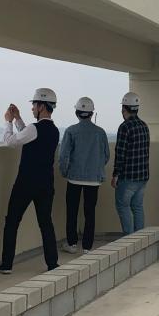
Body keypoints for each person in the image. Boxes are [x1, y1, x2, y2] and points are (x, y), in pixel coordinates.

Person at [0, 88, 60, 274]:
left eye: (34, 105)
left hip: (25, 183)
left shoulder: (34, 128)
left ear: (41, 106)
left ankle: (7, 264)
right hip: (46, 184)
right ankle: (52, 263)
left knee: (12, 221)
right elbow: (29, 136)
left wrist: (8, 122)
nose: (32, 108)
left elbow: (11, 141)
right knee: (45, 223)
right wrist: (18, 118)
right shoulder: (54, 130)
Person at [59, 97, 109, 255]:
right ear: (91, 113)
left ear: (77, 113)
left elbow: (64, 156)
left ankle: (72, 244)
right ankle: (87, 247)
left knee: (72, 212)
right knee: (90, 213)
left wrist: (64, 172)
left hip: (74, 177)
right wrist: (96, 168)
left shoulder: (71, 131)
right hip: (94, 179)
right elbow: (106, 155)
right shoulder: (100, 132)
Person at [112, 92, 150, 234]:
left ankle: (128, 239)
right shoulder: (144, 126)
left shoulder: (125, 127)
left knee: (123, 206)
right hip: (143, 176)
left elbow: (120, 153)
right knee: (137, 207)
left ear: (124, 108)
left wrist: (116, 174)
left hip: (128, 177)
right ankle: (139, 240)